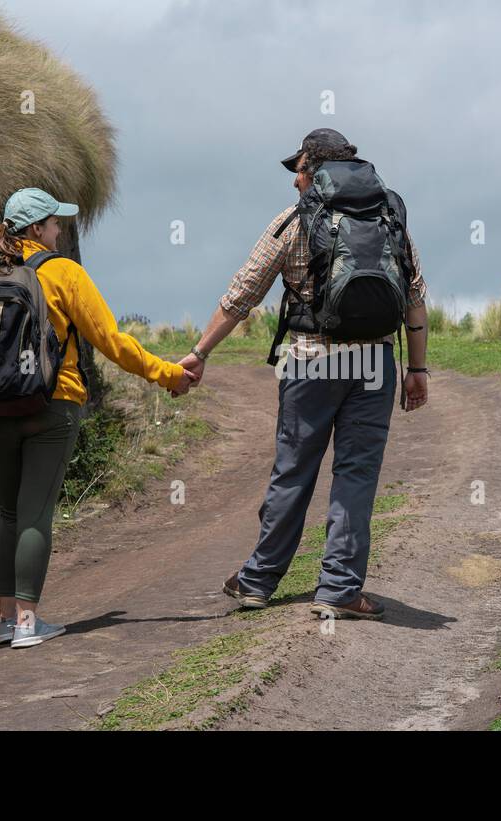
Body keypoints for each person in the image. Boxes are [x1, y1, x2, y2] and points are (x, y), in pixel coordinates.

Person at [179, 129, 430, 620]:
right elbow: (415, 297)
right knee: (355, 477)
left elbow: (242, 293)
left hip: (311, 361)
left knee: (293, 471)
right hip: (375, 366)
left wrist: (200, 351)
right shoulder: (389, 217)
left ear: (311, 169)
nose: (294, 180)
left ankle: (257, 581)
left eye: (297, 169)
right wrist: (417, 369)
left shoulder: (295, 221)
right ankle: (338, 589)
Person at [0, 187, 197, 648]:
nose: (60, 229)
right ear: (35, 229)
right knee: (35, 514)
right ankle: (29, 622)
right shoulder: (64, 273)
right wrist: (167, 374)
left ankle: (6, 619)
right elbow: (111, 341)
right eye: (53, 222)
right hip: (53, 405)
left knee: (8, 513)